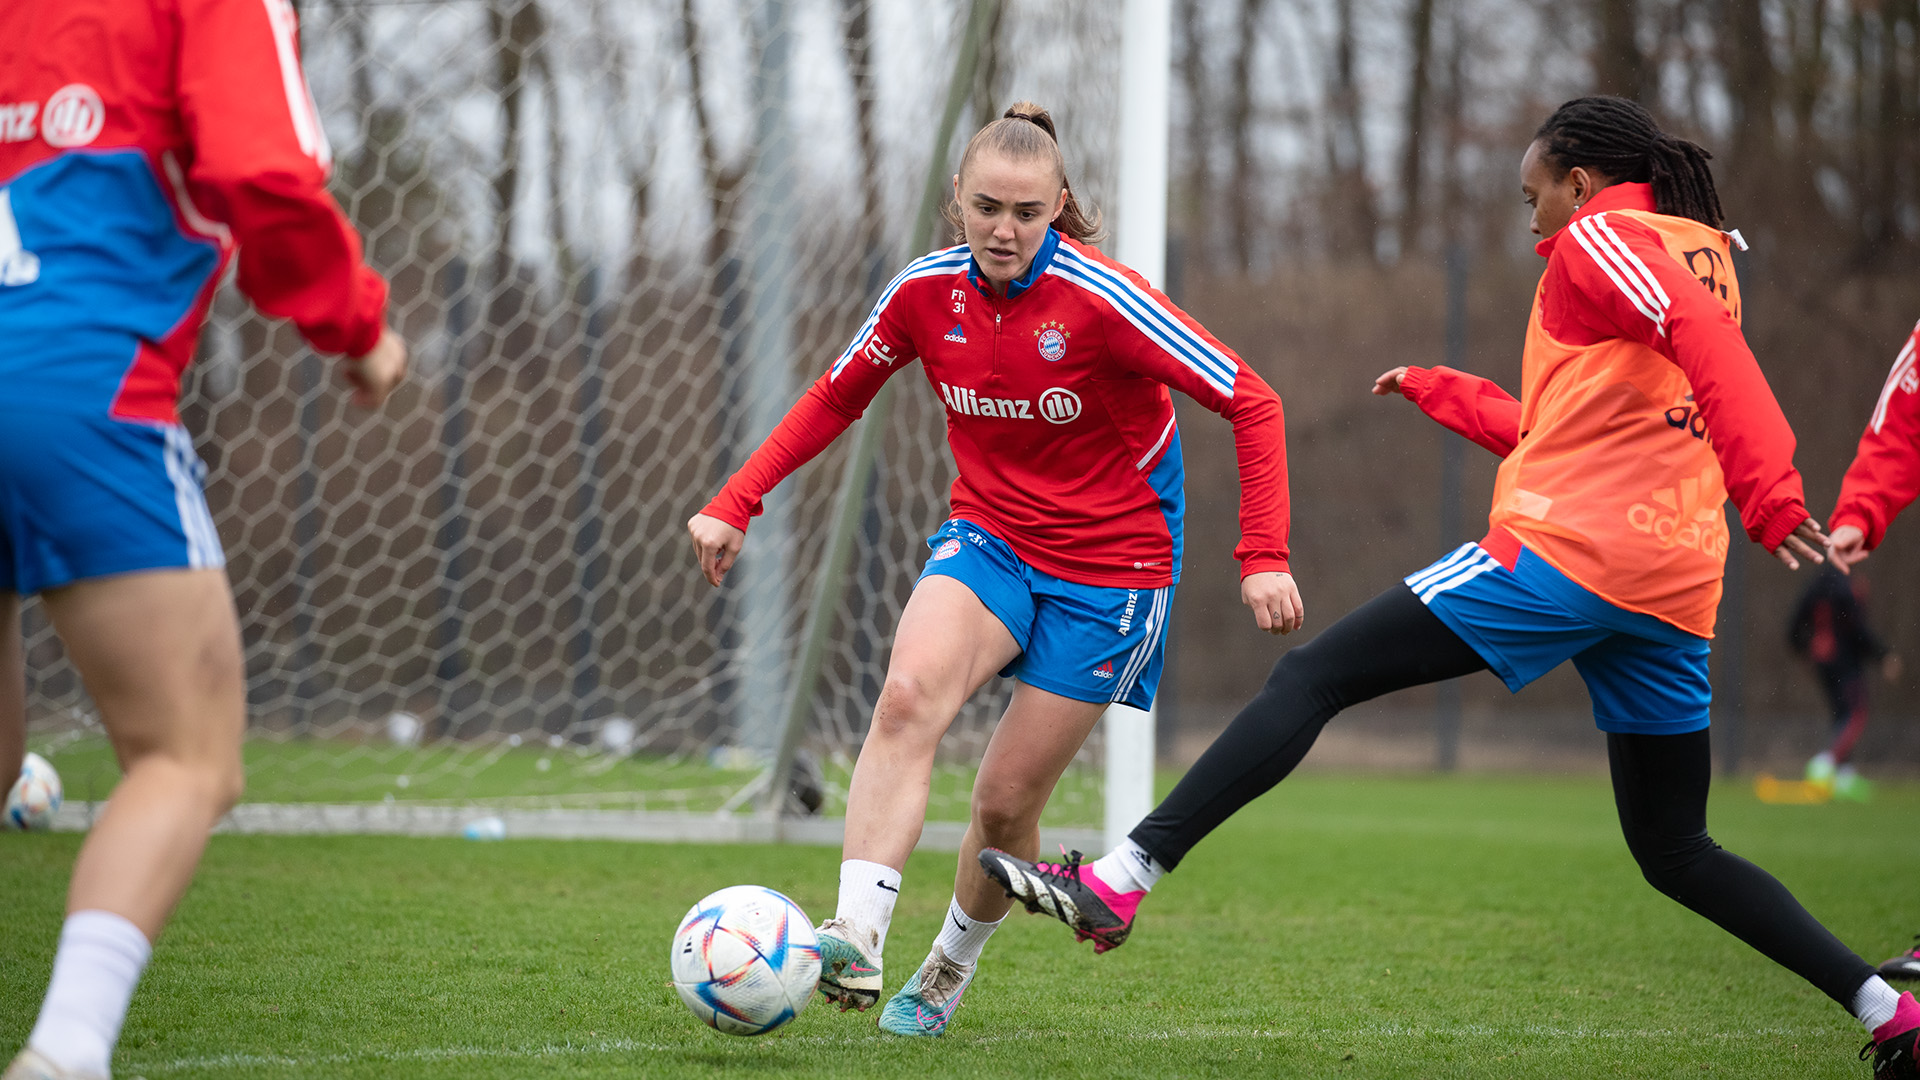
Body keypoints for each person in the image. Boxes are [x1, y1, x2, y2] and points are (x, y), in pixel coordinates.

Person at [979, 96, 1920, 1076]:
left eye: (1534, 195)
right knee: (1677, 849)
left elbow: (1709, 354)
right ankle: (1888, 1010)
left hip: (1564, 555)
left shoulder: (1605, 239)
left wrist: (1770, 491)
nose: (1530, 222)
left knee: (1312, 677)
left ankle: (1122, 878)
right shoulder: (1702, 252)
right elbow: (1592, 428)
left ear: (1581, 184)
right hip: (1675, 583)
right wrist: (1451, 393)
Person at [687, 102, 1302, 1037]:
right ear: (957, 205)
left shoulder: (1108, 300)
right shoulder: (924, 293)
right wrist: (737, 499)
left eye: (1025, 211)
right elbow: (836, 395)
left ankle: (947, 968)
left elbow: (1252, 402)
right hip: (991, 539)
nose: (1005, 230)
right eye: (987, 209)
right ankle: (854, 932)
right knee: (906, 698)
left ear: (1059, 205)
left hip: (1115, 573)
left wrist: (1262, 555)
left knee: (1006, 804)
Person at [1, 1, 406, 1076]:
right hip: (71, 378)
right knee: (187, 756)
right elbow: (260, 175)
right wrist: (357, 327)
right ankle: (65, 1052)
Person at [1787, 566, 1899, 800]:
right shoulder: (1847, 587)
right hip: (1846, 662)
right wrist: (1882, 655)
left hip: (1822, 662)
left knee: (1840, 713)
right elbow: (1858, 630)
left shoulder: (1815, 585)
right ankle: (1825, 763)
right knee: (1856, 713)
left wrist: (1804, 650)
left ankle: (1844, 777)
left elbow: (1794, 624)